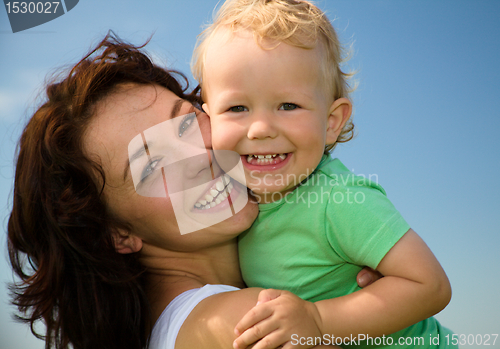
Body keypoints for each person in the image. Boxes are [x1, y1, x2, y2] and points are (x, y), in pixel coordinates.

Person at [7, 34, 381, 349]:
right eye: (152, 166)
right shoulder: (251, 322)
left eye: (185, 124)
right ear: (117, 234)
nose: (200, 158)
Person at [192, 0, 456, 348]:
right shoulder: (231, 198)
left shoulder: (338, 198)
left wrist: (317, 320)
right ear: (207, 122)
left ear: (331, 122)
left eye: (288, 105)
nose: (260, 128)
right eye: (236, 108)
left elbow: (431, 286)